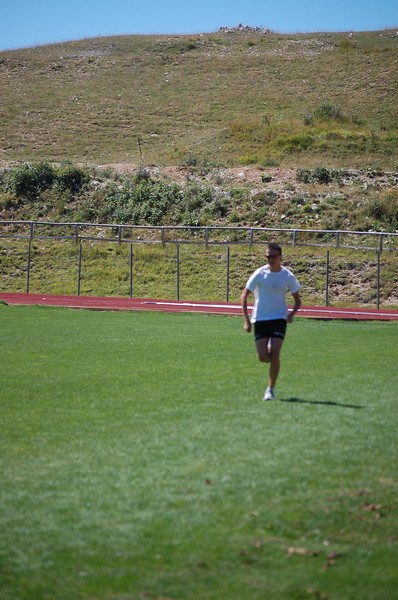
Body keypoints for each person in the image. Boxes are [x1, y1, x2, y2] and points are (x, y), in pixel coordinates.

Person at [240, 242, 301, 401]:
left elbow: (297, 301)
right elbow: (244, 295)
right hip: (260, 318)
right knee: (262, 357)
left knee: (275, 354)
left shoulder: (287, 276)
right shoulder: (260, 273)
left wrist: (291, 314)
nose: (270, 259)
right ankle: (267, 351)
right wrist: (246, 320)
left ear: (280, 257)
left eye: (273, 256)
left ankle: (270, 389)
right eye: (267, 256)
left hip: (279, 318)